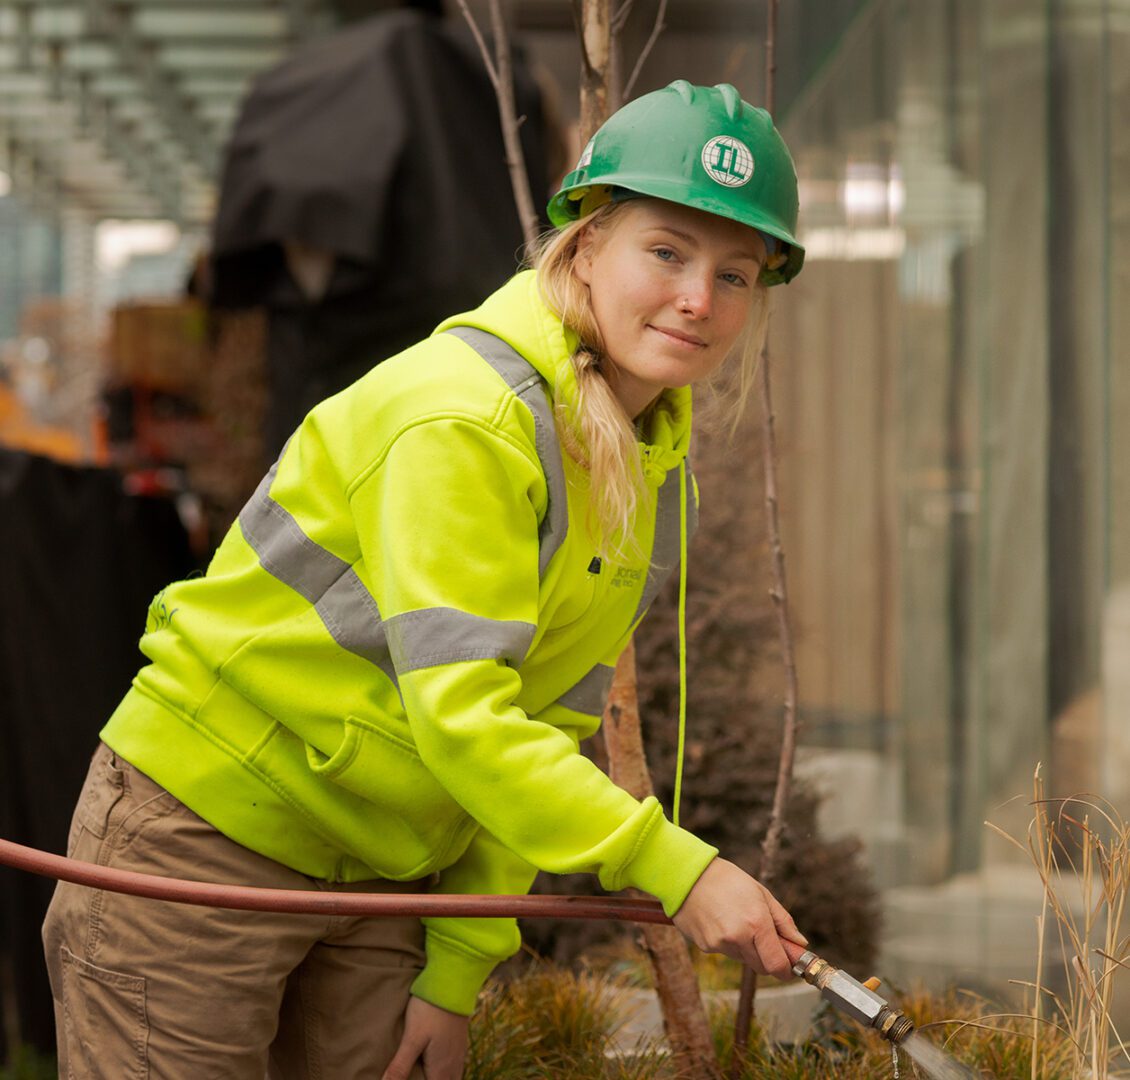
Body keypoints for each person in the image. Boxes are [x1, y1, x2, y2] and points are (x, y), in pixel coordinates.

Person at [42, 80, 808, 1080]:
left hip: (385, 871)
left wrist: (452, 974)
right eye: (664, 251)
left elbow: (547, 723)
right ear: (582, 242)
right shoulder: (466, 418)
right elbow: (466, 719)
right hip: (206, 837)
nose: (698, 299)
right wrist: (676, 866)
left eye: (735, 273)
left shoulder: (644, 459)